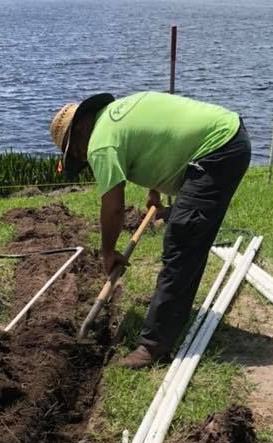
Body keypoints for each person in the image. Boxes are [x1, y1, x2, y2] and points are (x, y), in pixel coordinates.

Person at [49, 91, 251, 368]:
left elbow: (113, 207)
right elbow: (159, 138)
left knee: (183, 242)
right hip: (226, 135)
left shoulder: (100, 143)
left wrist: (107, 251)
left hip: (217, 150)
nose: (82, 157)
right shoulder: (117, 115)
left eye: (74, 150)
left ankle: (154, 346)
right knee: (185, 230)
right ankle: (166, 310)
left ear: (82, 127)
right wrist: (153, 192)